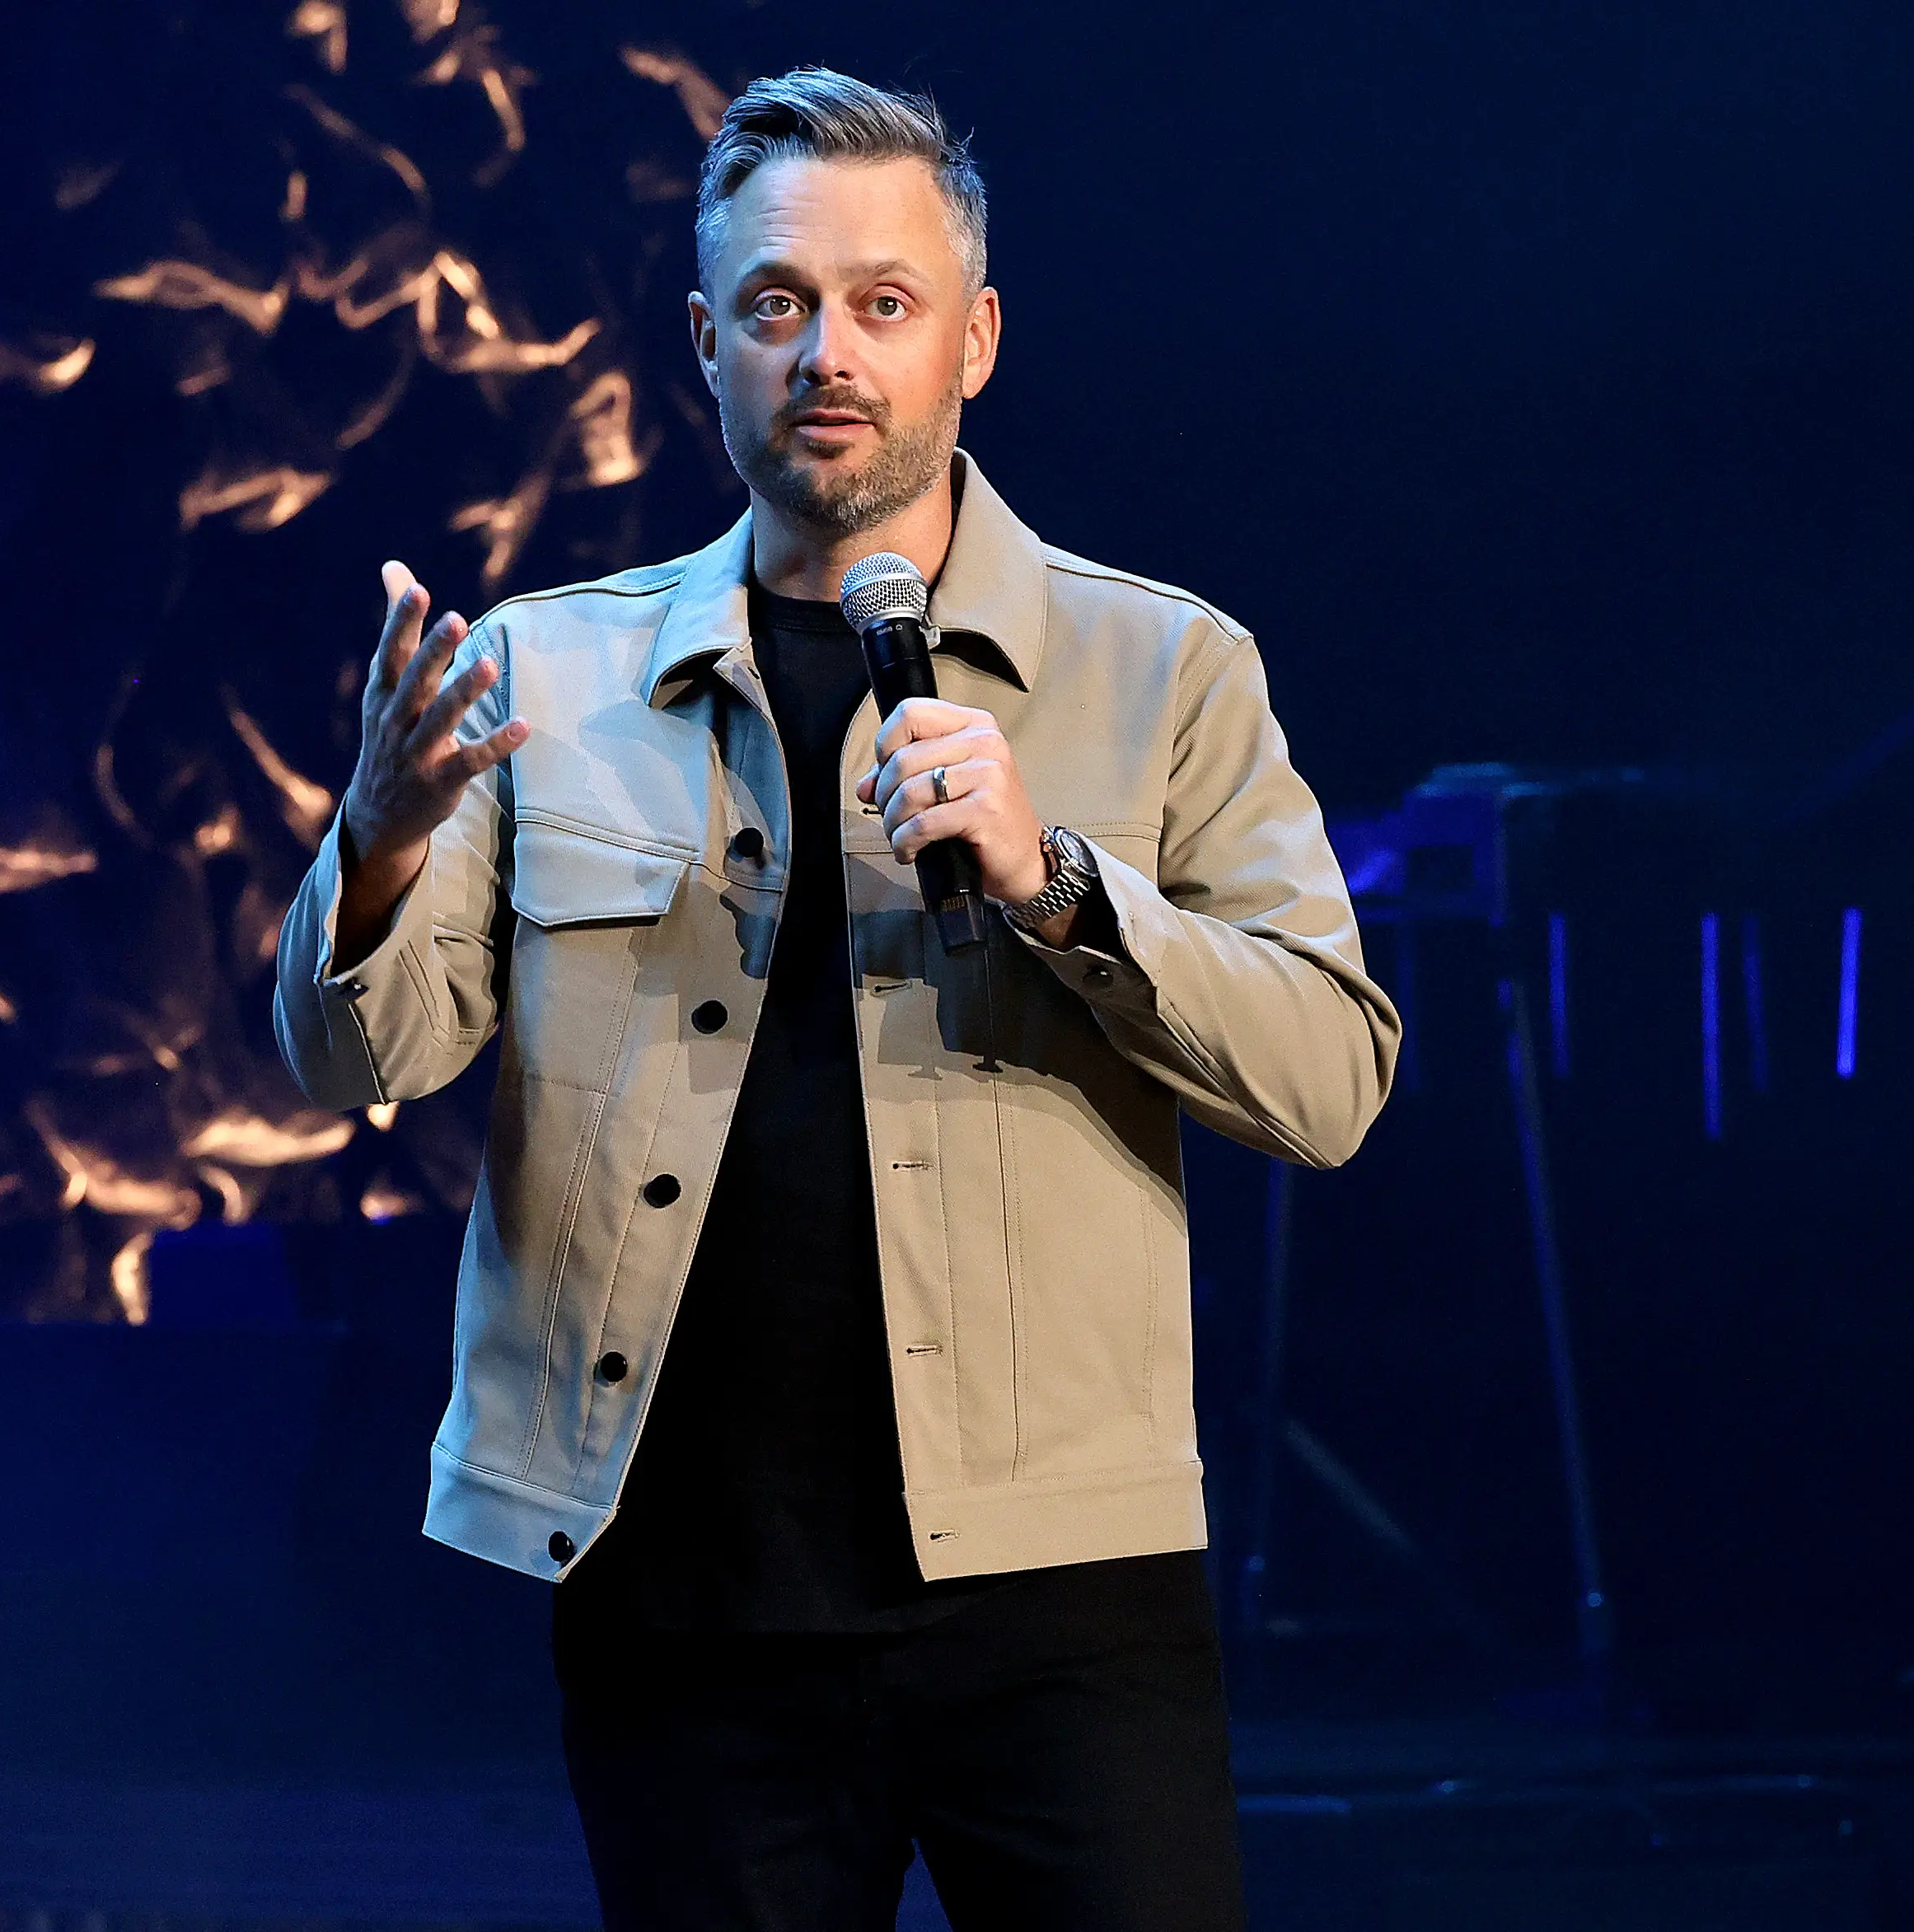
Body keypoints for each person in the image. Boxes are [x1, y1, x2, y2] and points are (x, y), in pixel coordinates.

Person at [275, 65, 1399, 1932]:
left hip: (1061, 1583)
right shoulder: (545, 672)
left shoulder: (1166, 664)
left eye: (884, 305)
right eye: (781, 307)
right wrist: (382, 841)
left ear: (975, 339)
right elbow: (353, 1059)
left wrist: (1058, 880)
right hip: (682, 1588)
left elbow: (1335, 1077)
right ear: (707, 345)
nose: (830, 354)